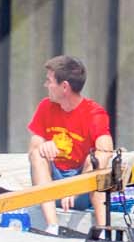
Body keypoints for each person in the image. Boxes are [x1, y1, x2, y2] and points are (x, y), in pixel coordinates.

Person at [27, 54, 115, 232]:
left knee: (97, 162)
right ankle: (52, 226)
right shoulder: (45, 107)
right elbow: (32, 151)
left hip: (81, 190)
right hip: (52, 185)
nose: (46, 86)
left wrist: (74, 188)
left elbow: (106, 151)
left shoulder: (94, 113)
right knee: (38, 154)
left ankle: (104, 230)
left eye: (49, 81)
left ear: (64, 87)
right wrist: (43, 146)